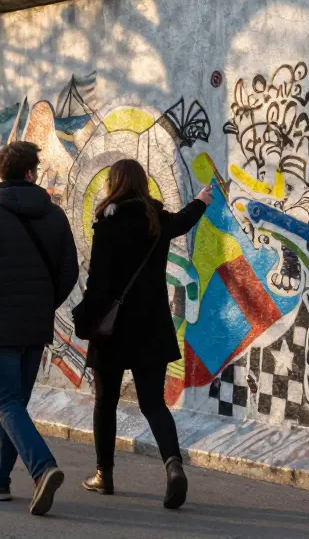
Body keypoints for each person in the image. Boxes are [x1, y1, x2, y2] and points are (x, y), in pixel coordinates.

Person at [77, 158, 213, 509]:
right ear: (142, 185)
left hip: (113, 332)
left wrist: (84, 317)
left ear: (114, 185)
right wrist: (201, 200)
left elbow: (98, 285)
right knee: (153, 403)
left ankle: (104, 476)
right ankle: (173, 466)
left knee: (105, 402)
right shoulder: (157, 222)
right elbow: (184, 221)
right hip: (151, 327)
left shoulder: (106, 228)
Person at [0, 141, 79, 516]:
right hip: (34, 324)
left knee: (8, 403)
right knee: (16, 405)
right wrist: (44, 306)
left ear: (2, 173)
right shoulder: (55, 216)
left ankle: (43, 468)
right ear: (31, 173)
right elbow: (69, 271)